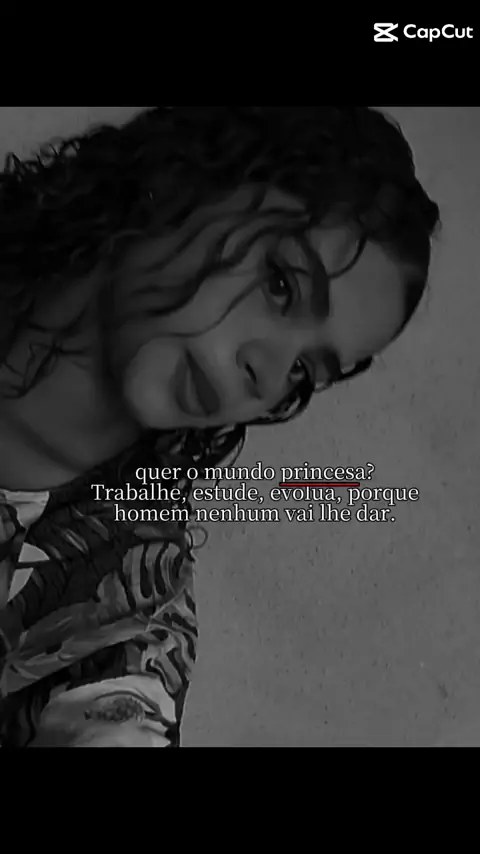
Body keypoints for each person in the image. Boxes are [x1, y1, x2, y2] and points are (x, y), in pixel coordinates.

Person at [0, 106, 440, 747]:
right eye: (281, 284)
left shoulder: (129, 599)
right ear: (184, 177)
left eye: (304, 369)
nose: (270, 372)